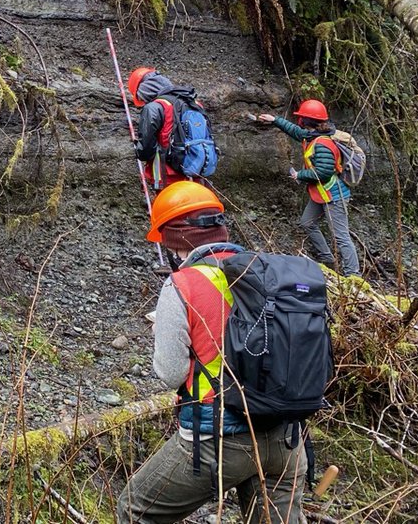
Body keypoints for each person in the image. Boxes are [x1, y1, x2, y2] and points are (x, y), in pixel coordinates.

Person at [117, 181, 307, 524]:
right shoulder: (271, 270)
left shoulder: (183, 283)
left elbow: (171, 373)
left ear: (175, 241)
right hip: (288, 439)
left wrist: (165, 329)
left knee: (134, 509)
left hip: (219, 439)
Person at [254, 100, 361, 277]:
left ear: (307, 121)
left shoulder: (322, 143)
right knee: (307, 222)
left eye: (302, 118)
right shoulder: (312, 135)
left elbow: (324, 172)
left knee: (341, 236)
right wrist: (275, 120)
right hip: (320, 194)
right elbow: (296, 132)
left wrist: (300, 175)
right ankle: (327, 260)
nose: (299, 122)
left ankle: (354, 276)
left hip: (334, 195)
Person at [128, 67, 205, 190]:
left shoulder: (154, 108)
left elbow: (146, 151)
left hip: (169, 179)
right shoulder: (194, 104)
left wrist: (137, 149)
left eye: (140, 97)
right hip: (197, 177)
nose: (142, 101)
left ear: (144, 91)